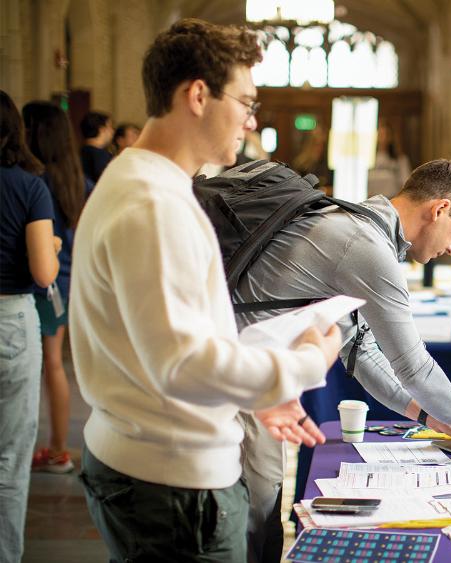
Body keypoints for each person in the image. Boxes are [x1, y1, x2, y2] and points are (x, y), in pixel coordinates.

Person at [69, 19, 342, 562]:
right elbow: (182, 364)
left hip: (149, 457)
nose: (251, 120)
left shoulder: (144, 181)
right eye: (245, 102)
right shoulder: (154, 203)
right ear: (198, 95)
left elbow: (164, 343)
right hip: (173, 483)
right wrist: (307, 364)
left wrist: (251, 392)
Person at [233, 158, 451, 563]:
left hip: (257, 382)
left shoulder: (358, 224)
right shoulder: (366, 246)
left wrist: (431, 418)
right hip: (237, 383)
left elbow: (360, 349)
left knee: (263, 508)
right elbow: (412, 365)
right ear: (439, 209)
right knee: (253, 515)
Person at [0, 89, 61, 563]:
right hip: (10, 320)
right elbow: (43, 273)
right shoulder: (28, 185)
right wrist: (54, 248)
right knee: (9, 460)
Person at [21, 100, 93, 474]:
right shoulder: (79, 181)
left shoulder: (33, 182)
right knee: (53, 365)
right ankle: (58, 449)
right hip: (65, 285)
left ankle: (29, 449)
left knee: (32, 368)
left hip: (36, 284)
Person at [366, 123, 411, 199]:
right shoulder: (367, 157)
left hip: (391, 199)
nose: (383, 138)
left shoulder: (399, 158)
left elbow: (405, 181)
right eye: (380, 134)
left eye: (386, 135)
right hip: (371, 199)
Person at [78, 111, 113, 182]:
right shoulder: (102, 156)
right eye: (110, 127)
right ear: (102, 130)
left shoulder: (77, 153)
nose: (112, 131)